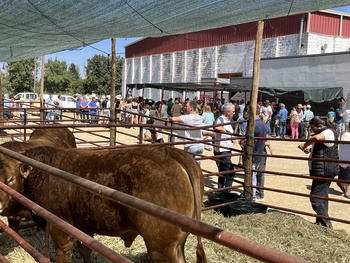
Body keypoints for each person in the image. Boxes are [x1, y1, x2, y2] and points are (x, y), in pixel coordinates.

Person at [298, 116, 339, 228]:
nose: (312, 131)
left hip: (324, 171)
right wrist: (311, 150)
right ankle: (321, 222)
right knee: (322, 197)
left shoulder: (328, 132)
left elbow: (316, 138)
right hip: (323, 170)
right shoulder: (327, 133)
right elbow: (325, 148)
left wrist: (304, 145)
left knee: (315, 198)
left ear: (320, 126)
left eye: (313, 128)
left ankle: (326, 224)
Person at [213, 103, 236, 191]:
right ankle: (227, 191)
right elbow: (217, 127)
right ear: (228, 112)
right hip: (223, 150)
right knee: (231, 172)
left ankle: (221, 191)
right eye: (233, 111)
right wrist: (228, 133)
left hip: (226, 149)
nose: (234, 113)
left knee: (223, 172)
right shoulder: (221, 118)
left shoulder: (227, 120)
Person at [339, 131, 350, 199]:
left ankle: (340, 182)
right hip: (346, 159)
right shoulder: (346, 135)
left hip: (346, 159)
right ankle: (348, 192)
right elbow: (343, 148)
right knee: (348, 177)